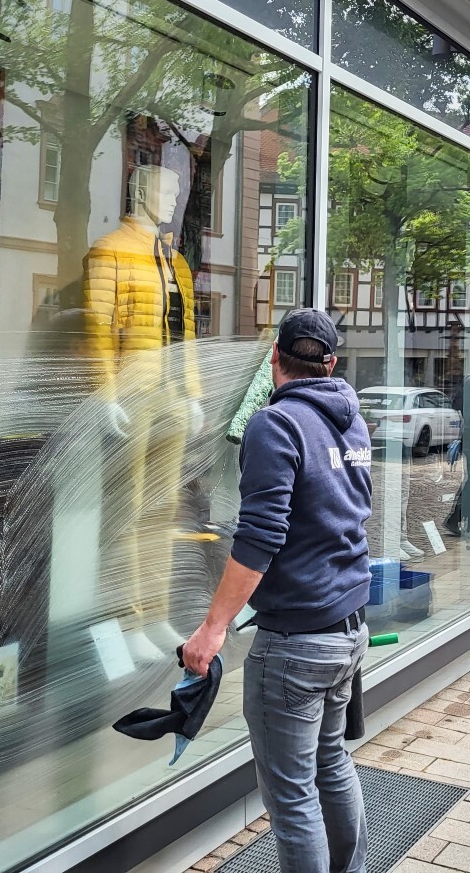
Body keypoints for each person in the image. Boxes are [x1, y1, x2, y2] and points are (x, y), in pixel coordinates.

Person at [182, 309, 373, 873]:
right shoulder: (352, 422)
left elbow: (261, 535)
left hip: (295, 644)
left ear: (274, 360)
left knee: (292, 799)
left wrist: (212, 628)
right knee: (331, 763)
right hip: (347, 629)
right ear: (332, 363)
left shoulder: (277, 424)